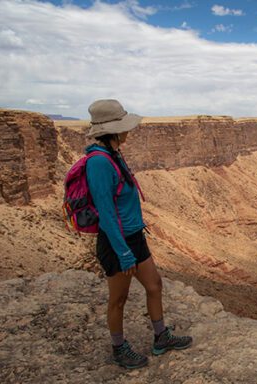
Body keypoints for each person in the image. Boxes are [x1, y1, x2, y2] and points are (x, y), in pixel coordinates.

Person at [84, 99, 192, 369]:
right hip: (116, 241)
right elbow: (106, 214)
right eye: (124, 126)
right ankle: (119, 348)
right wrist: (122, 252)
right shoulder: (98, 162)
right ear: (112, 130)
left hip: (134, 237)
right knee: (118, 299)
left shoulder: (114, 154)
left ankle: (161, 337)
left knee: (154, 285)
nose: (128, 131)